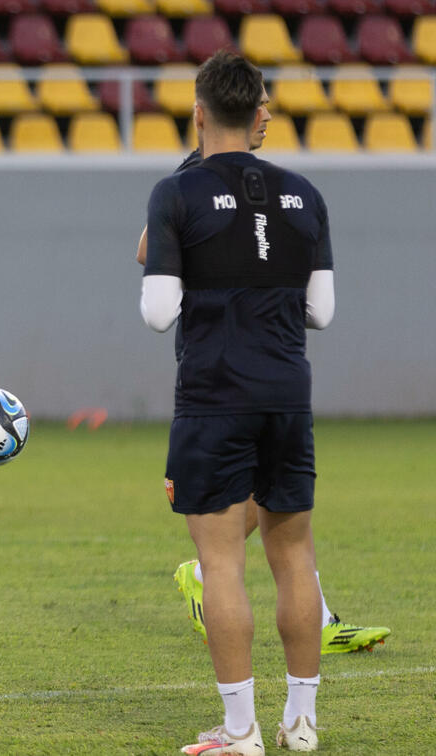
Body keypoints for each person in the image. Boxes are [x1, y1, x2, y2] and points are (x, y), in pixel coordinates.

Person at [138, 88, 390, 659]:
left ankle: (292, 614)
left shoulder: (279, 185)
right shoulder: (194, 178)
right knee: (280, 512)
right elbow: (145, 253)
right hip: (220, 363)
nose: (270, 116)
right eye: (262, 104)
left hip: (272, 359)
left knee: (278, 498)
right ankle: (297, 636)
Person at [142, 52, 336, 753]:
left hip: (214, 393)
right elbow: (323, 313)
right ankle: (303, 722)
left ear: (198, 114)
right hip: (289, 389)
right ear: (261, 114)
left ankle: (241, 731)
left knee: (222, 564)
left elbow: (159, 313)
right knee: (295, 555)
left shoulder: (177, 191)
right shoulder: (306, 194)